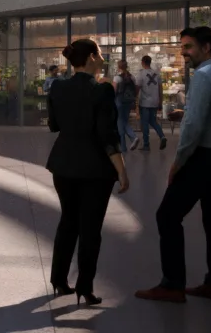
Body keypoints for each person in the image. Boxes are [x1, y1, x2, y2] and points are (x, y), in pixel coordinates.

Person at [137, 26, 211, 304]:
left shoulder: (203, 76)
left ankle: (172, 284)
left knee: (167, 216)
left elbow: (194, 127)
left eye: (188, 47)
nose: (182, 53)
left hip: (203, 156)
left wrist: (178, 161)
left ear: (206, 47)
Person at [47, 39, 130, 305]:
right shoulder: (102, 91)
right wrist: (122, 170)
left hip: (62, 164)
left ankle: (59, 279)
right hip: (95, 168)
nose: (103, 57)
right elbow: (107, 133)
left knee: (68, 221)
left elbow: (54, 125)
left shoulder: (57, 88)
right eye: (101, 53)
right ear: (92, 57)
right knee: (90, 228)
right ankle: (85, 286)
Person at [134, 54, 166, 151]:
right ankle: (162, 136)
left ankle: (146, 145)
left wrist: (134, 99)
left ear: (143, 62)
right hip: (155, 102)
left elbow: (137, 88)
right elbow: (161, 89)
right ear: (150, 62)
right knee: (152, 121)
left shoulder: (141, 74)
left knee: (145, 123)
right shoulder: (157, 74)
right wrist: (160, 101)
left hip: (144, 103)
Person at [113, 59, 137, 152]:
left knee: (120, 123)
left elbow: (114, 91)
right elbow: (135, 89)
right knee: (124, 121)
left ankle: (132, 138)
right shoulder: (132, 77)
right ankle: (124, 146)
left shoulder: (117, 78)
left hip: (119, 102)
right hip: (128, 102)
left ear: (119, 67)